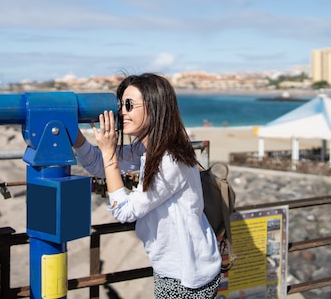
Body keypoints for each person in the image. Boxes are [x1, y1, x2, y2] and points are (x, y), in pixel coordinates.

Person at [73, 73, 221, 298]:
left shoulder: (170, 158)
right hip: (174, 269)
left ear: (154, 107)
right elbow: (98, 165)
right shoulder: (148, 149)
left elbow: (125, 210)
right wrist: (72, 133)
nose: (121, 112)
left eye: (129, 105)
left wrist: (109, 151)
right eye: (120, 104)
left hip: (186, 277)